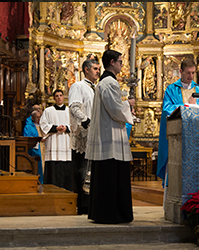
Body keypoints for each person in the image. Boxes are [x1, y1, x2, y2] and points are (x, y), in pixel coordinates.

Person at [85, 50, 135, 224]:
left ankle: (105, 212)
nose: (122, 65)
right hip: (110, 137)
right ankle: (110, 213)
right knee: (111, 177)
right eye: (120, 62)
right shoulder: (108, 83)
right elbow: (115, 109)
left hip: (109, 134)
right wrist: (128, 104)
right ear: (112, 62)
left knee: (107, 176)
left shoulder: (106, 82)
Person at [157, 58, 199, 195]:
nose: (191, 76)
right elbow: (167, 109)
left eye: (193, 73)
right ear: (181, 71)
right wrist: (187, 105)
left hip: (196, 137)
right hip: (178, 137)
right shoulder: (171, 89)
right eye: (188, 73)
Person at [68, 59, 100, 215]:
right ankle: (82, 205)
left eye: (99, 68)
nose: (98, 71)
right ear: (86, 70)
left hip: (96, 135)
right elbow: (74, 107)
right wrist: (86, 121)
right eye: (95, 68)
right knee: (82, 170)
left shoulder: (97, 88)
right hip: (83, 135)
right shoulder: (78, 86)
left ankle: (93, 203)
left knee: (92, 171)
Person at [40, 89, 72, 191]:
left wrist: (67, 128)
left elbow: (75, 126)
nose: (59, 97)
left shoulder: (69, 111)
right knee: (54, 168)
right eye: (57, 96)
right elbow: (43, 125)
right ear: (54, 98)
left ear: (63, 97)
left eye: (60, 95)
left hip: (66, 143)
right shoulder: (48, 111)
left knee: (66, 168)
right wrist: (55, 128)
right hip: (53, 143)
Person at [22, 109, 44, 184]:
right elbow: (27, 139)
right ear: (32, 118)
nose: (39, 119)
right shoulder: (28, 126)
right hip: (35, 150)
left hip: (44, 147)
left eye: (40, 117)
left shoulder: (43, 125)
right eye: (37, 117)